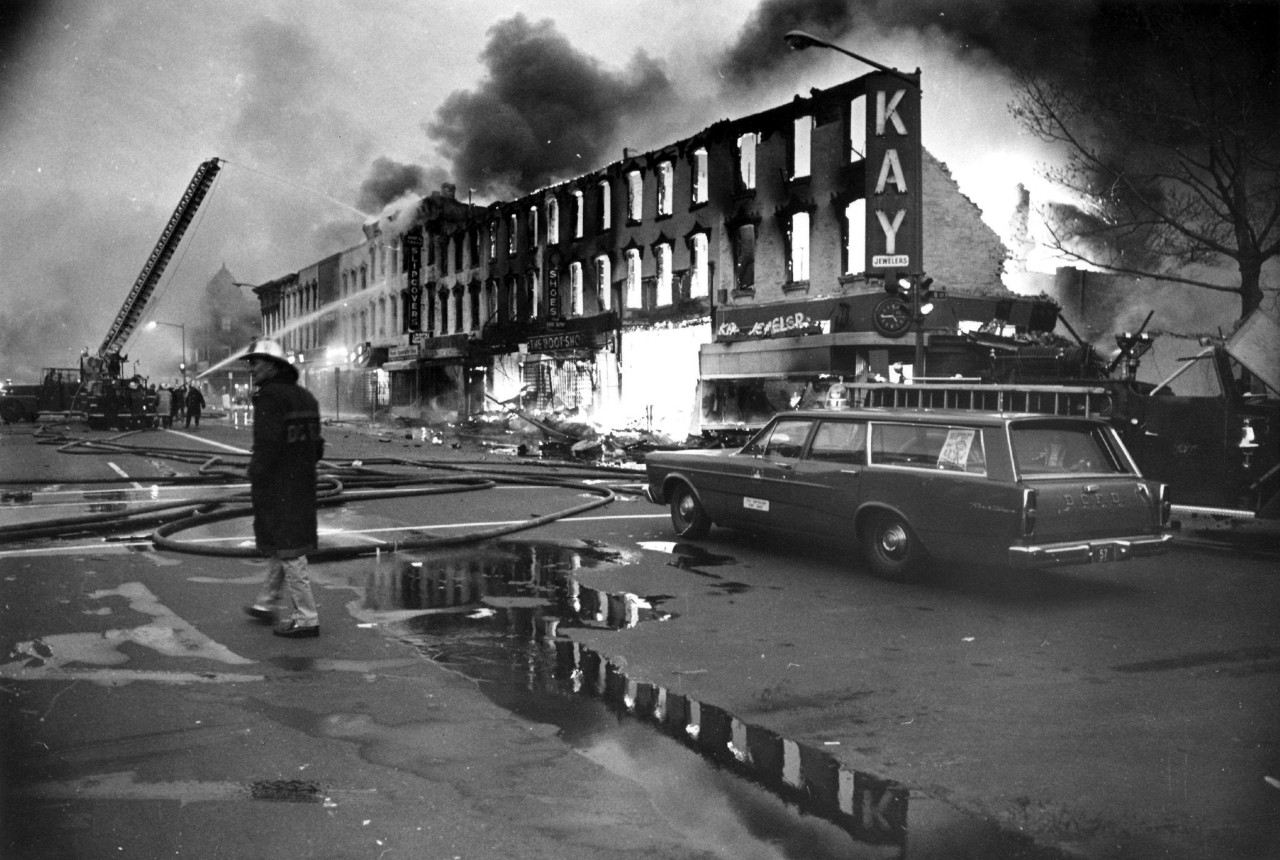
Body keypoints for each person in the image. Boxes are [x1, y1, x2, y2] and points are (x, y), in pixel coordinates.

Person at [241, 338, 325, 638]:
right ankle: (266, 604)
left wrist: (256, 474)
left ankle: (307, 617)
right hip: (302, 482)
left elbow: (267, 444)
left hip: (279, 486)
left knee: (290, 550)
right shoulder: (306, 398)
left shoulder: (270, 398)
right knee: (283, 544)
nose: (251, 368)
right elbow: (317, 448)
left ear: (273, 365)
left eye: (256, 362)